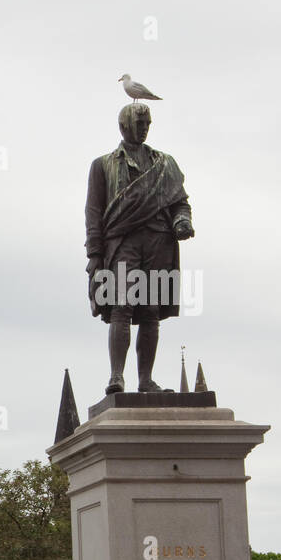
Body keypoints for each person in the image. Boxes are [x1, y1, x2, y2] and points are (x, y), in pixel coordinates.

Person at [85, 103, 194, 394]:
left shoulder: (165, 163)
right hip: (124, 242)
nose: (144, 128)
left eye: (148, 123)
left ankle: (145, 380)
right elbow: (93, 213)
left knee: (150, 312)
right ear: (123, 127)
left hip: (158, 241)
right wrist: (94, 255)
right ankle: (117, 377)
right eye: (139, 123)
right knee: (122, 305)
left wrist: (182, 221)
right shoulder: (103, 165)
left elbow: (179, 202)